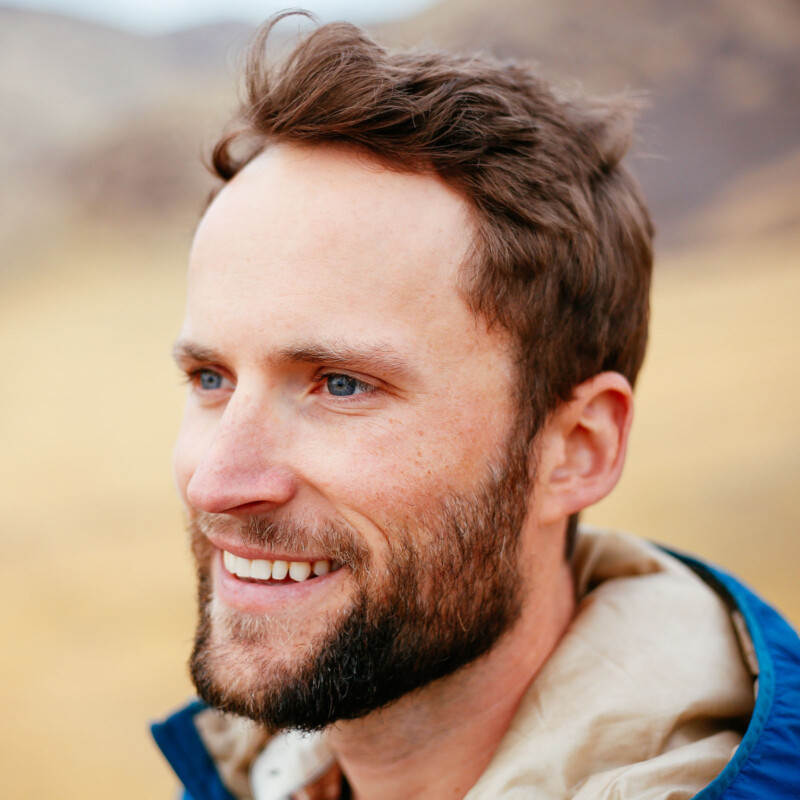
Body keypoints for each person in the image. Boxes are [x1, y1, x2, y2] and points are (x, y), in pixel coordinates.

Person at [152, 13, 800, 800]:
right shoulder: (257, 774)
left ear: (576, 449)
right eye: (211, 379)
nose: (217, 484)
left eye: (342, 384)